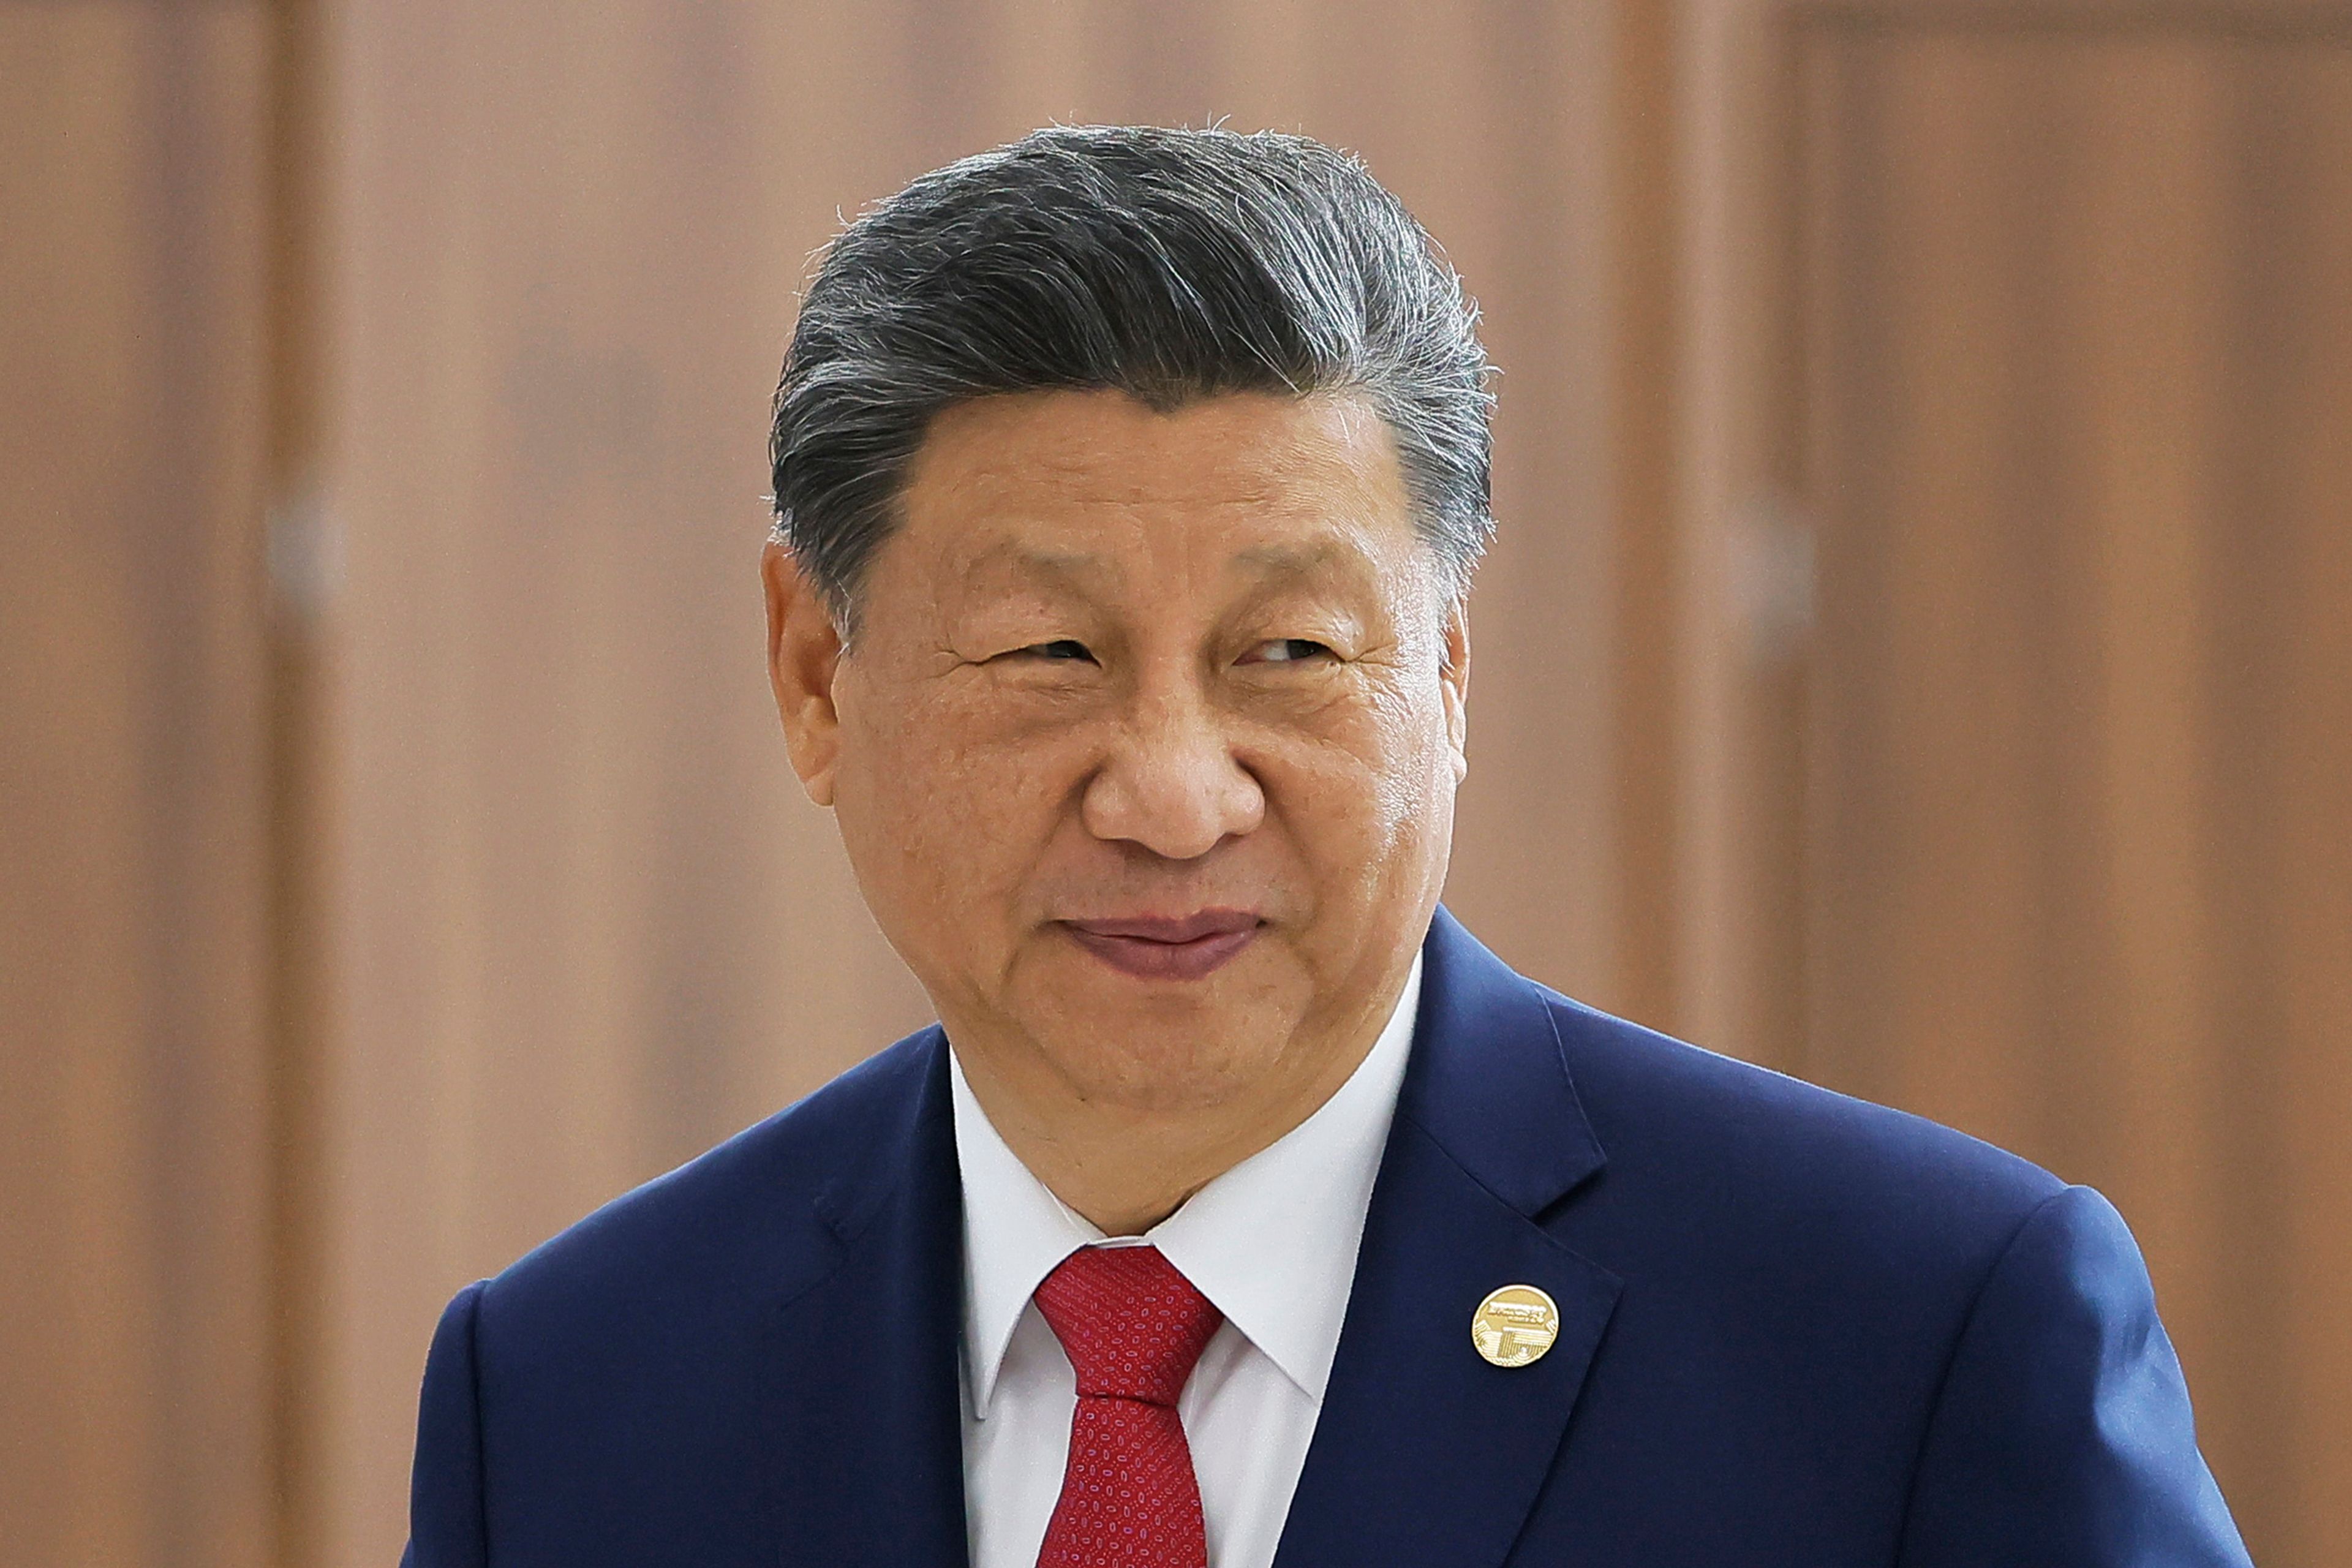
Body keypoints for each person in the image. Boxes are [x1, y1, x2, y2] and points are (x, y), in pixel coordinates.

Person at [401, 125, 2250, 1568]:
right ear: (817, 676)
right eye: (1054, 656)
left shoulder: (1915, 1332)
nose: (1176, 795)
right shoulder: (573, 1397)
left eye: (1288, 653)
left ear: (1442, 676)